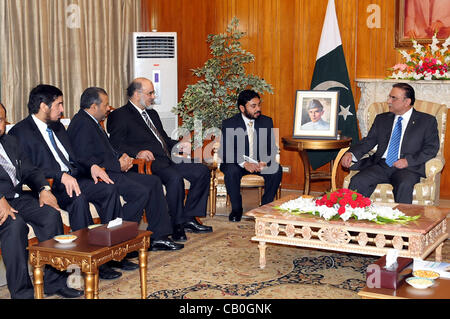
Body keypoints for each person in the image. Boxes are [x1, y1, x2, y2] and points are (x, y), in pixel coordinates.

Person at [9, 84, 129, 280]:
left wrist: (91, 166)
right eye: (59, 104)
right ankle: (85, 260)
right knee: (78, 198)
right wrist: (59, 175)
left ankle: (108, 255)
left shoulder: (57, 127)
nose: (63, 110)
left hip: (76, 177)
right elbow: (28, 169)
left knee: (109, 189)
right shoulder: (20, 132)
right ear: (43, 106)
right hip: (53, 185)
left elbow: (75, 156)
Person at [67, 87, 182, 251]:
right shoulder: (81, 124)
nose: (108, 108)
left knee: (153, 181)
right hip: (102, 175)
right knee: (141, 191)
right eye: (105, 105)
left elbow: (108, 148)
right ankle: (119, 240)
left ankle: (159, 236)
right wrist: (117, 164)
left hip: (111, 170)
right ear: (94, 106)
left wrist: (123, 156)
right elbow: (84, 159)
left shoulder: (92, 121)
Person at [107, 78, 212, 242]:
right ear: (136, 94)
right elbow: (115, 145)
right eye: (150, 93)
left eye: (153, 93)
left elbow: (162, 140)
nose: (153, 97)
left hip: (168, 158)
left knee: (202, 171)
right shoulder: (120, 115)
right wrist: (138, 152)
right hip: (150, 163)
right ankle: (176, 225)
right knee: (174, 178)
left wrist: (179, 144)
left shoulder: (152, 114)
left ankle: (189, 218)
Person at [0, 102, 83, 299]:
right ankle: (22, 292)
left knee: (50, 213)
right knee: (14, 226)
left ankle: (54, 282)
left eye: (1, 119)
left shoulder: (10, 142)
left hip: (18, 198)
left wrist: (44, 189)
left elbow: (30, 170)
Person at [341, 83, 439, 204]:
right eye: (389, 97)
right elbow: (369, 141)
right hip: (381, 165)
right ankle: (353, 217)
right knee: (358, 181)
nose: (388, 101)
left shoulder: (426, 121)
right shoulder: (382, 119)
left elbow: (431, 148)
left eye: (394, 98)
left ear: (407, 102)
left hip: (408, 168)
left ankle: (401, 221)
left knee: (404, 184)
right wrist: (351, 153)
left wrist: (408, 161)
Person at [219, 89, 282, 222]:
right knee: (231, 171)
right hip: (237, 163)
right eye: (253, 106)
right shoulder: (229, 123)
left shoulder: (266, 121)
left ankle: (264, 207)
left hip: (259, 162)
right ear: (242, 108)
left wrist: (264, 161)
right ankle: (236, 209)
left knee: (276, 169)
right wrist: (244, 163)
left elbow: (271, 147)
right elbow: (226, 150)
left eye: (259, 105)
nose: (258, 109)